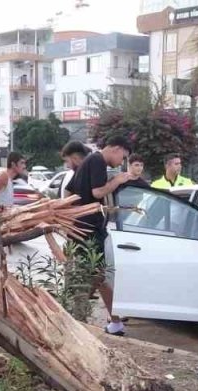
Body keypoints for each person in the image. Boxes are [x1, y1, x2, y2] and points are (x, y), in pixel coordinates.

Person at [66, 135, 133, 336]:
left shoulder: (89, 161)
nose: (122, 162)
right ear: (116, 148)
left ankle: (115, 322)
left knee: (98, 276)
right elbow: (97, 192)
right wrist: (117, 180)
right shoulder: (97, 161)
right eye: (124, 157)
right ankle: (75, 317)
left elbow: (71, 192)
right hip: (88, 230)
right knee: (95, 275)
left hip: (86, 227)